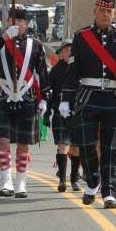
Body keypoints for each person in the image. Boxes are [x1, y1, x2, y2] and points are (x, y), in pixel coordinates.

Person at [61, 0, 116, 209]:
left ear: (114, 13)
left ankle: (109, 192)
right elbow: (73, 71)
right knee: (86, 145)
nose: (105, 14)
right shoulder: (82, 36)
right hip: (88, 96)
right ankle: (93, 178)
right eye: (102, 11)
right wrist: (66, 99)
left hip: (113, 97)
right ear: (94, 11)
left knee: (110, 147)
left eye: (109, 11)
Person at [0, 5, 50, 198]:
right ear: (7, 23)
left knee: (23, 144)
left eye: (20, 22)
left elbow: (42, 72)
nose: (17, 25)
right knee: (3, 140)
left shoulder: (36, 45)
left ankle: (21, 183)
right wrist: (5, 37)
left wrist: (45, 98)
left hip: (27, 97)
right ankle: (6, 182)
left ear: (26, 24)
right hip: (3, 95)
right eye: (13, 22)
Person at [47, 41, 82, 192]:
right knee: (62, 145)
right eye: (66, 50)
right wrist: (47, 110)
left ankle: (74, 179)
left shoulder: (80, 69)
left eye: (72, 50)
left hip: (77, 111)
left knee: (76, 148)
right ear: (61, 53)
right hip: (60, 112)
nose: (69, 52)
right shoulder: (54, 71)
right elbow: (49, 92)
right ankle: (62, 180)